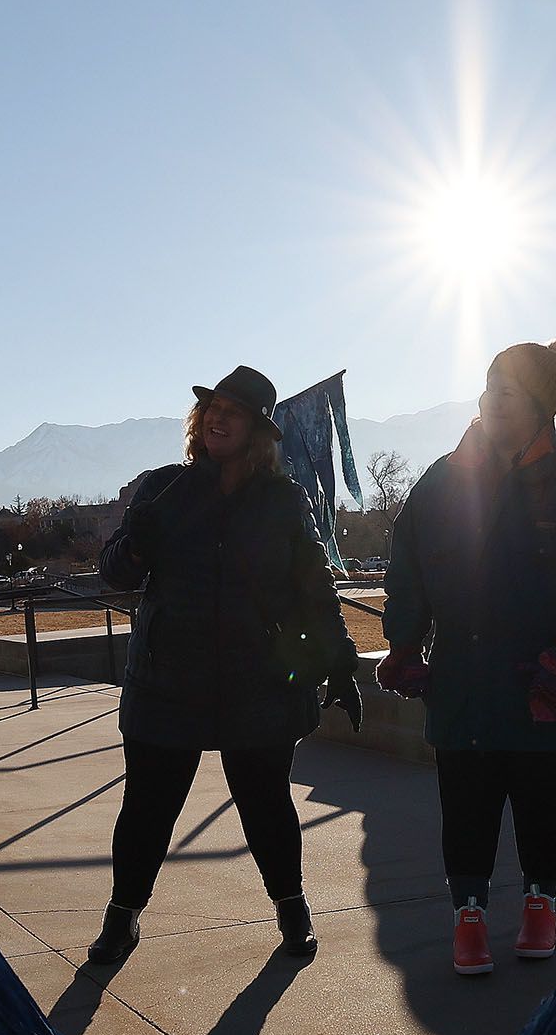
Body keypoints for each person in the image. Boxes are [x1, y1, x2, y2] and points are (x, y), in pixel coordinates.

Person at [376, 341, 556, 976]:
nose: (494, 402)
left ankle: (539, 904)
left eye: (510, 392)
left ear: (543, 404)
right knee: (464, 804)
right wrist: (406, 643)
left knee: (543, 802)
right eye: (490, 387)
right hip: (463, 682)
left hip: (546, 683)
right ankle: (467, 915)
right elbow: (407, 571)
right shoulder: (442, 481)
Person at [85, 365, 360, 968]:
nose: (216, 418)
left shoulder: (283, 502)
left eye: (231, 412)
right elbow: (115, 573)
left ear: (259, 431)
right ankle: (122, 917)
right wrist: (135, 542)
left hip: (256, 682)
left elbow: (315, 589)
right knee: (147, 809)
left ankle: (292, 910)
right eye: (210, 408)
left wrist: (339, 659)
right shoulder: (162, 489)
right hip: (167, 682)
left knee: (266, 805)